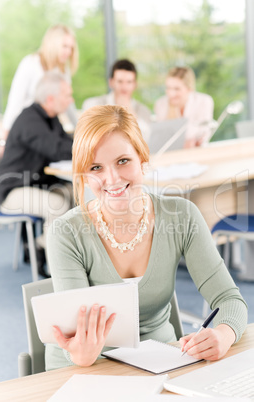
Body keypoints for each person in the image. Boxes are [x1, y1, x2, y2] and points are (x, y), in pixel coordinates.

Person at [45, 104, 247, 370]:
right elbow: (77, 340)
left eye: (123, 161)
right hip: (84, 367)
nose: (112, 178)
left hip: (161, 362)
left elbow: (230, 300)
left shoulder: (181, 216)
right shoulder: (66, 232)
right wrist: (82, 357)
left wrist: (223, 334)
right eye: (96, 167)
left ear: (142, 159)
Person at [0, 72, 74, 277]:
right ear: (50, 98)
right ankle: (44, 249)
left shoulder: (51, 118)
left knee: (77, 195)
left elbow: (65, 144)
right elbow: (56, 148)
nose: (70, 100)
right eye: (67, 95)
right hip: (11, 192)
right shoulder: (30, 120)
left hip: (35, 186)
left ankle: (60, 250)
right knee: (58, 205)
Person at [0, 24, 78, 153]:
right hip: (28, 128)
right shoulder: (30, 63)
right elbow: (15, 103)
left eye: (71, 48)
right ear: (53, 44)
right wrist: (4, 141)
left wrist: (79, 130)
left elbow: (68, 103)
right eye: (65, 46)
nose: (69, 52)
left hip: (47, 128)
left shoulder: (63, 70)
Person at [82, 59, 152, 142]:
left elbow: (146, 140)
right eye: (120, 81)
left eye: (129, 82)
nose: (124, 87)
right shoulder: (95, 104)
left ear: (134, 85)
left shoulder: (143, 111)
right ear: (111, 82)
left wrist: (130, 110)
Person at [154, 66, 214, 148]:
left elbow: (203, 132)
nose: (171, 94)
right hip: (171, 153)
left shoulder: (204, 101)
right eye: (168, 88)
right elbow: (161, 135)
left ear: (189, 89)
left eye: (177, 89)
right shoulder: (161, 104)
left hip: (197, 151)